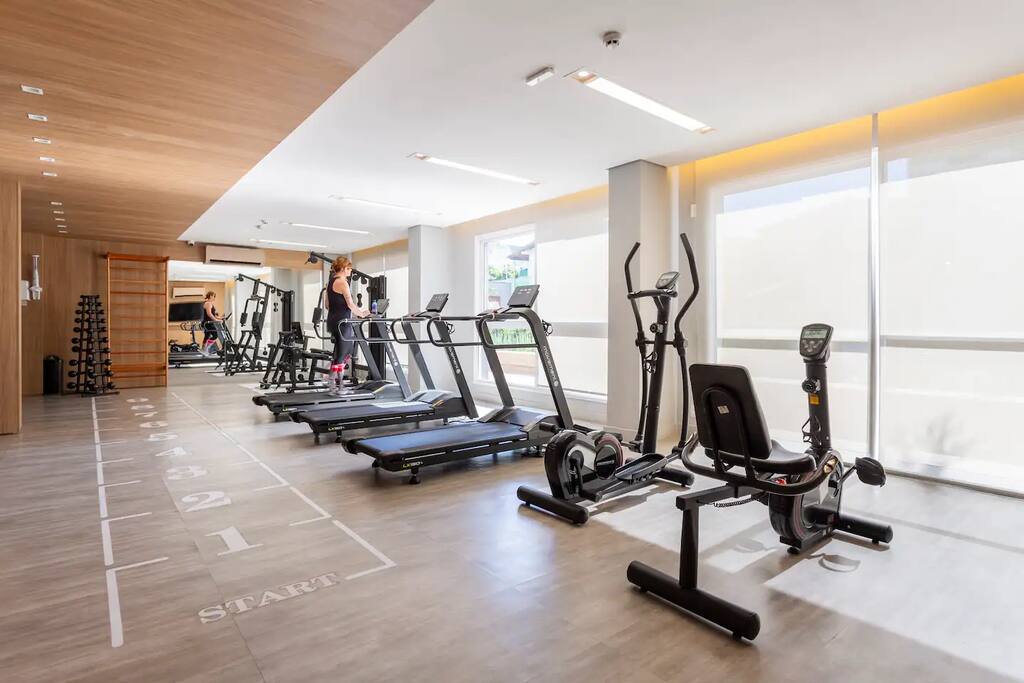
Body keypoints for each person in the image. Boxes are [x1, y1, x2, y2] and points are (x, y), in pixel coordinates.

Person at [326, 256, 369, 395]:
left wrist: (344, 311)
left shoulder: (330, 282)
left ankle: (333, 384)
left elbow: (327, 305)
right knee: (345, 353)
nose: (350, 271)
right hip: (342, 322)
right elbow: (350, 304)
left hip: (332, 321)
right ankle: (337, 386)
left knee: (339, 352)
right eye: (349, 269)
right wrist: (362, 314)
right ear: (344, 268)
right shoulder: (343, 282)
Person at [201, 291, 224, 356]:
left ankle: (204, 350)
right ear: (210, 296)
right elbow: (209, 314)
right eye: (214, 296)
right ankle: (206, 349)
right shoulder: (208, 303)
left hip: (208, 322)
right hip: (208, 323)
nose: (214, 298)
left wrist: (221, 318)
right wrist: (216, 320)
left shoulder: (209, 303)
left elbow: (214, 315)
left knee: (207, 336)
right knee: (215, 335)